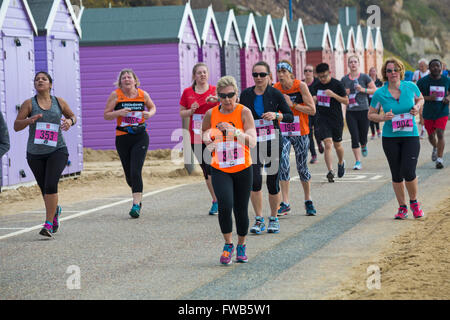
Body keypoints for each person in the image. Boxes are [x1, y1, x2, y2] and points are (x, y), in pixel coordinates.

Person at [14, 71, 76, 237]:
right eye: (37, 79)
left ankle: (48, 223)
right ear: (35, 85)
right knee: (44, 188)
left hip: (58, 150)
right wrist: (29, 120)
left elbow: (73, 116)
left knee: (50, 184)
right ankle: (55, 211)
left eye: (44, 79)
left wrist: (69, 121)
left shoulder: (59, 102)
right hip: (35, 153)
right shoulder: (29, 104)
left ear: (50, 84)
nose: (40, 81)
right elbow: (16, 126)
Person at [202, 75, 256, 265]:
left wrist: (234, 132)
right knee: (225, 205)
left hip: (242, 166)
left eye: (230, 95)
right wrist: (208, 139)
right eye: (223, 96)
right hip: (220, 167)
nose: (227, 99)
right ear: (218, 97)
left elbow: (253, 140)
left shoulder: (244, 112)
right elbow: (205, 134)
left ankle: (241, 245)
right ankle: (228, 244)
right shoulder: (211, 114)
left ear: (237, 95)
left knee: (241, 209)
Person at [239, 61, 294, 235]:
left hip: (272, 140)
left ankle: (274, 218)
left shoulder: (276, 94)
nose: (259, 78)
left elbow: (290, 116)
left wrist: (276, 115)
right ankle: (259, 219)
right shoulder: (246, 94)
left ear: (269, 76)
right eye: (255, 75)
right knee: (254, 182)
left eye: (262, 75)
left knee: (272, 182)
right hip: (253, 143)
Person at [368, 57, 425, 220]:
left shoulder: (411, 86)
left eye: (395, 70)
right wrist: (383, 118)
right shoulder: (380, 93)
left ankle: (414, 202)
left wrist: (416, 107)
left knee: (409, 170)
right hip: (390, 137)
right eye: (389, 71)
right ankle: (402, 207)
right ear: (385, 74)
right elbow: (370, 115)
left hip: (410, 136)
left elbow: (420, 99)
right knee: (396, 173)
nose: (392, 73)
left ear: (400, 70)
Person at [104, 69, 156, 218]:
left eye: (129, 77)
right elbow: (106, 115)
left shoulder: (142, 94)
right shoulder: (116, 95)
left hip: (140, 136)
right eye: (124, 77)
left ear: (135, 80)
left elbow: (153, 107)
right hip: (122, 137)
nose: (127, 79)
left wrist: (149, 114)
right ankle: (137, 193)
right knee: (129, 175)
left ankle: (136, 204)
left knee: (135, 171)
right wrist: (118, 113)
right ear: (120, 81)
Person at [273, 60, 317, 216]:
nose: (281, 75)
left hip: (301, 131)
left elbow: (312, 110)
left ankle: (308, 200)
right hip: (284, 130)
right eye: (279, 72)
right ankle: (285, 202)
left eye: (284, 72)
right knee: (283, 163)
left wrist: (292, 105)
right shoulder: (275, 88)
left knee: (302, 167)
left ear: (290, 73)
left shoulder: (301, 86)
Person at [179, 63, 219, 215]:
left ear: (208, 74)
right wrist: (191, 110)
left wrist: (216, 100)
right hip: (196, 137)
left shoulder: (215, 90)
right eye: (199, 73)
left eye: (204, 72)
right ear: (194, 76)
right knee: (207, 170)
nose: (202, 75)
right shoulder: (188, 92)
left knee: (217, 167)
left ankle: (225, 197)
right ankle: (216, 200)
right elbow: (182, 113)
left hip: (214, 135)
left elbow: (229, 104)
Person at [312, 63, 348, 182]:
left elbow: (346, 101)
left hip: (336, 119)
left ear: (330, 73)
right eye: (320, 77)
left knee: (337, 145)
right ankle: (330, 171)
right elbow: (311, 99)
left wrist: (333, 95)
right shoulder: (316, 85)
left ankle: (341, 162)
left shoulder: (337, 84)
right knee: (328, 143)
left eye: (325, 76)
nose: (322, 79)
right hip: (322, 119)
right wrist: (314, 100)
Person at [341, 56, 377, 170]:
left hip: (363, 110)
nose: (353, 64)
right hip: (351, 112)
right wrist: (344, 93)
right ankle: (358, 161)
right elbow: (341, 94)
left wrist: (363, 90)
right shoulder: (344, 79)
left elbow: (375, 90)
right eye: (351, 62)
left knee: (363, 136)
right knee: (354, 136)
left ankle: (364, 145)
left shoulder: (365, 77)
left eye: (355, 62)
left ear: (358, 64)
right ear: (348, 65)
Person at [417, 59, 450, 169]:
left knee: (440, 133)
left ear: (441, 68)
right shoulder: (423, 81)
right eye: (433, 66)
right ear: (429, 68)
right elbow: (416, 96)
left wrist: (448, 98)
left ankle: (439, 160)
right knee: (431, 136)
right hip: (428, 112)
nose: (435, 68)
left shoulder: (446, 80)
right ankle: (435, 147)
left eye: (438, 66)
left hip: (442, 110)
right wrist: (428, 98)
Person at [303, 63, 323, 163]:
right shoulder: (301, 84)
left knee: (318, 131)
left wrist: (317, 99)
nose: (308, 73)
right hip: (306, 112)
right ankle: (313, 155)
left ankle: (319, 142)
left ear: (313, 73)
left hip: (318, 111)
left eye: (310, 71)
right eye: (306, 71)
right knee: (309, 133)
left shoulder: (317, 83)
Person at [413, 58, 430, 138]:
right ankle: (423, 129)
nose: (421, 67)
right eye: (420, 66)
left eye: (422, 66)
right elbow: (413, 83)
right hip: (419, 96)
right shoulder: (416, 73)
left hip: (429, 96)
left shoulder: (430, 73)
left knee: (429, 113)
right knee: (421, 113)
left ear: (426, 66)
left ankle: (430, 128)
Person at [368, 67, 384, 140]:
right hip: (369, 99)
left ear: (376, 72)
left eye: (374, 71)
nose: (373, 72)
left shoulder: (379, 82)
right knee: (371, 116)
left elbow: (382, 92)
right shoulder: (367, 81)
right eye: (371, 71)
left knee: (376, 115)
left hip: (377, 100)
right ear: (370, 72)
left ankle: (378, 130)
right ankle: (373, 133)